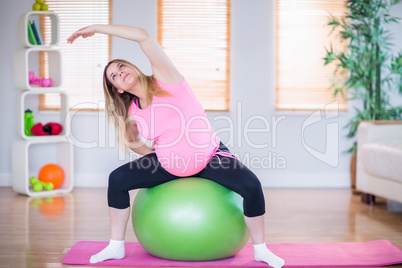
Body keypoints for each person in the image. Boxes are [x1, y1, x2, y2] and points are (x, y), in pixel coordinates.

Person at [67, 24, 285, 268]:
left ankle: (261, 250)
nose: (120, 73)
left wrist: (97, 28)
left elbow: (144, 36)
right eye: (114, 76)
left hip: (209, 157)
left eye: (121, 66)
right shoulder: (132, 110)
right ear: (118, 88)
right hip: (169, 165)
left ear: (132, 67)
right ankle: (115, 246)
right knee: (116, 180)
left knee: (251, 185)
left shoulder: (166, 79)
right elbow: (132, 140)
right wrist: (152, 154)